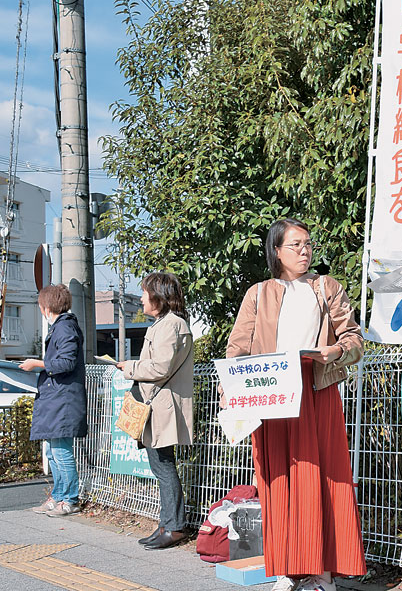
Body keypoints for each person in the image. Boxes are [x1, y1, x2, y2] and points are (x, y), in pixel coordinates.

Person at [226, 218, 366, 591]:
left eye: (307, 243)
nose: (305, 251)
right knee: (278, 480)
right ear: (277, 251)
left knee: (323, 477)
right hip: (271, 394)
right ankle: (288, 567)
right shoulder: (258, 293)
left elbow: (354, 338)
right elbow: (238, 346)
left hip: (316, 389)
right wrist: (233, 390)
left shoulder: (326, 287)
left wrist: (334, 351)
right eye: (295, 245)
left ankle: (323, 571)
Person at [116, 272, 195, 550]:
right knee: (161, 465)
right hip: (158, 405)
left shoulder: (171, 325)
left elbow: (160, 368)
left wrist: (130, 368)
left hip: (162, 407)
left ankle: (174, 527)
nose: (141, 298)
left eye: (145, 293)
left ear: (159, 296)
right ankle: (167, 523)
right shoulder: (164, 324)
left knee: (163, 466)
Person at [21, 284, 87, 517]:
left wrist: (37, 364)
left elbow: (66, 363)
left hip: (63, 400)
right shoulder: (63, 328)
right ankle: (58, 496)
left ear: (46, 307)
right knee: (52, 451)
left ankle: (69, 499)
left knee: (61, 451)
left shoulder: (65, 328)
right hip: (58, 399)